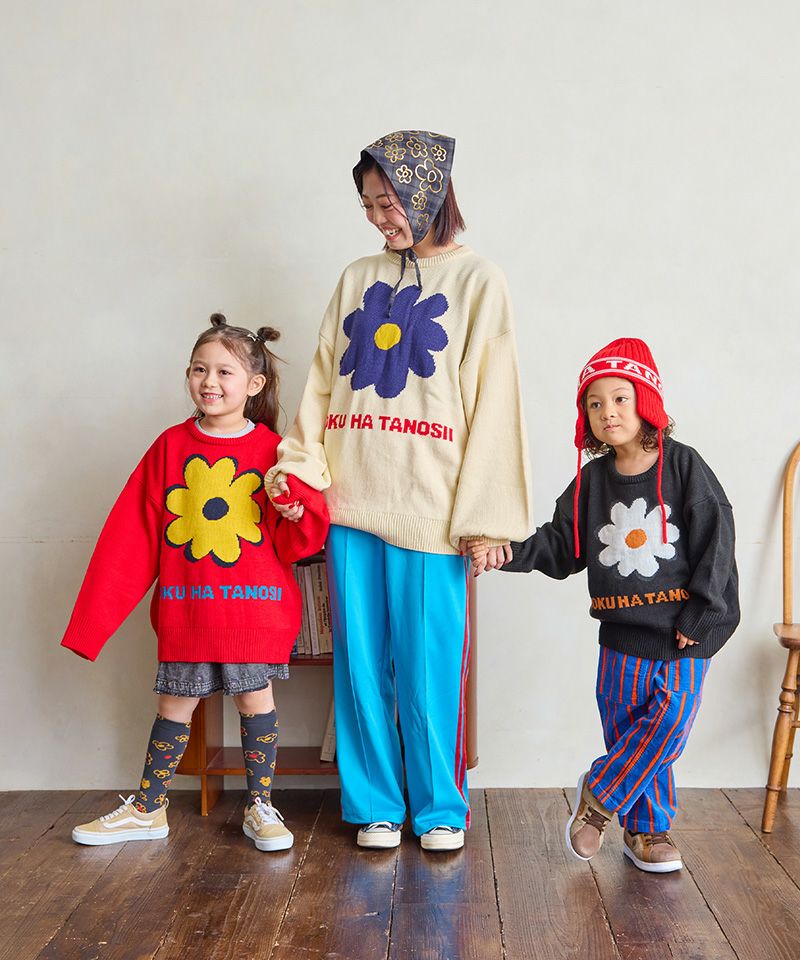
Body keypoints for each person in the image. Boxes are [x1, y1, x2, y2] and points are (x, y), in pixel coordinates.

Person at [266, 130, 533, 851]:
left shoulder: (479, 281)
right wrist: (300, 467)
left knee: (428, 671)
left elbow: (496, 400)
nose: (378, 218)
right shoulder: (357, 277)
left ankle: (440, 808)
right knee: (359, 670)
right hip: (351, 500)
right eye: (368, 205)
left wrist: (487, 519)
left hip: (431, 507)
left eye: (388, 202)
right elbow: (322, 381)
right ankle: (375, 805)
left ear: (427, 192)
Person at [469, 337, 739, 872]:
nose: (607, 412)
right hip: (619, 635)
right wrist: (507, 552)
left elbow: (717, 541)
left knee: (669, 722)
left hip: (683, 630)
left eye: (619, 398)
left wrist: (703, 613)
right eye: (595, 404)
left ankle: (598, 799)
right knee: (631, 732)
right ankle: (647, 832)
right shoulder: (592, 481)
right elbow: (560, 543)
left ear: (646, 402)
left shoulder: (684, 467)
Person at [61, 314, 329, 851]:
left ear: (253, 384)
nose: (209, 382)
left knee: (255, 701)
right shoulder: (168, 447)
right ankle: (148, 809)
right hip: (187, 610)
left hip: (254, 612)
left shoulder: (277, 451)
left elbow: (299, 541)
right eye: (198, 369)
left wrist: (296, 510)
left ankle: (260, 807)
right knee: (172, 707)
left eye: (224, 372)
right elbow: (129, 539)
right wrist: (91, 626)